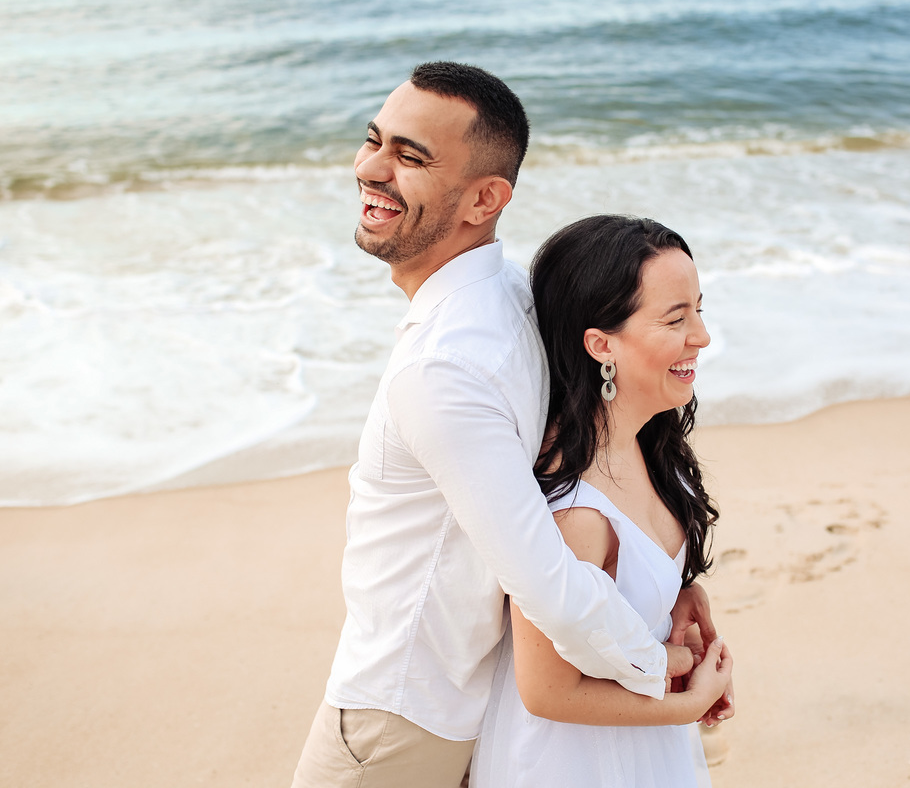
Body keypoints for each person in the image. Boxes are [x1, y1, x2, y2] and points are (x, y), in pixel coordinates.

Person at [291, 63, 722, 788]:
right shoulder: (518, 302)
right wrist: (663, 595)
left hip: (400, 713)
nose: (370, 168)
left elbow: (548, 575)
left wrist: (661, 663)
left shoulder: (446, 364)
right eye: (374, 141)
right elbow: (584, 452)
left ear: (487, 197)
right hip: (467, 701)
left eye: (410, 156)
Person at [470, 215, 732, 787]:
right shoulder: (575, 512)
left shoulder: (645, 440)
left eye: (699, 309)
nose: (702, 336)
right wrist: (688, 706)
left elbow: (633, 572)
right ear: (601, 344)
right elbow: (545, 692)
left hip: (643, 741)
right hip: (576, 764)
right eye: (675, 318)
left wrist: (681, 594)